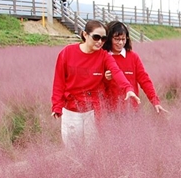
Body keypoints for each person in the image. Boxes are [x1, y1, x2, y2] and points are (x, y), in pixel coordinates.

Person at [51, 20, 140, 149]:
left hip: (93, 111)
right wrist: (56, 106)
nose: (100, 42)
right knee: (73, 150)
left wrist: (128, 88)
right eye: (96, 37)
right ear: (85, 35)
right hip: (71, 111)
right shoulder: (67, 53)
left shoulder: (104, 56)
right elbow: (59, 82)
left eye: (103, 39)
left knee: (92, 151)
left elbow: (116, 71)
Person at [102, 21, 168, 115]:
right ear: (108, 39)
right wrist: (105, 78)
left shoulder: (133, 57)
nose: (120, 43)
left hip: (131, 110)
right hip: (108, 111)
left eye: (123, 39)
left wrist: (155, 101)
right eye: (116, 39)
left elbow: (144, 80)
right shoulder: (102, 57)